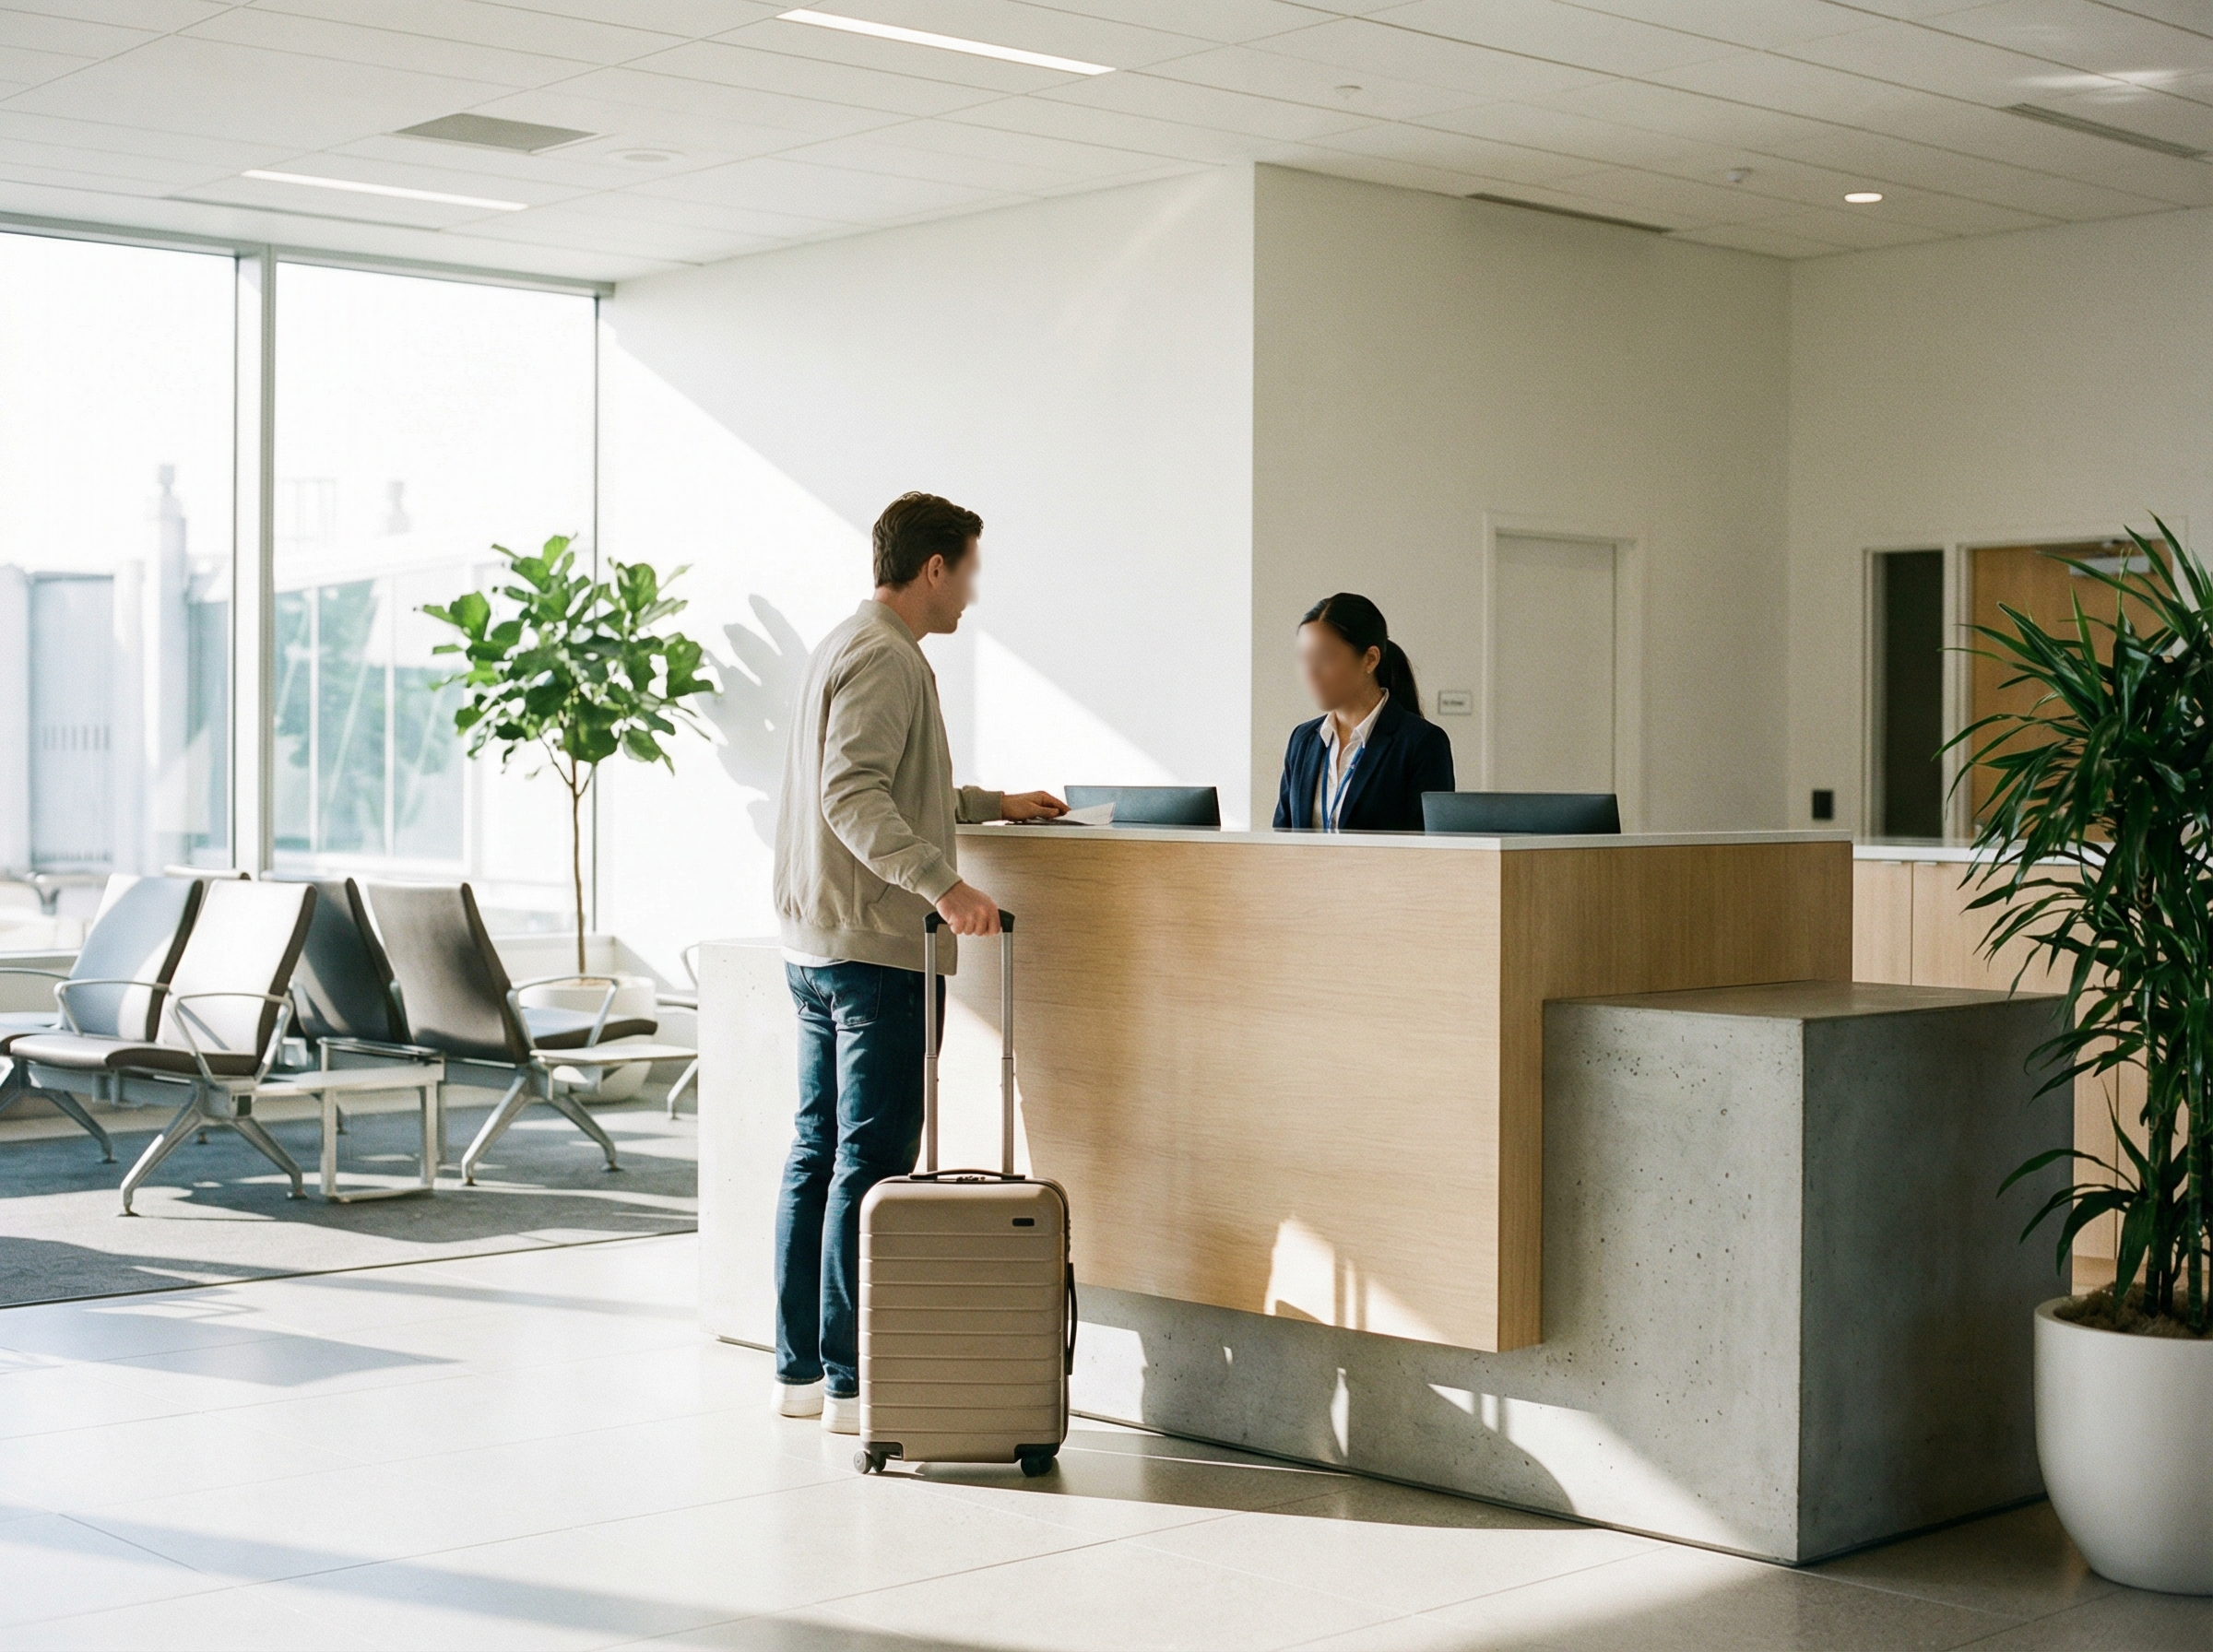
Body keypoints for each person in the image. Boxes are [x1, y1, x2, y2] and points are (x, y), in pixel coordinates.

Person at [770, 491, 1065, 1434]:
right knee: (870, 1163)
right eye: (969, 571)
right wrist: (945, 885)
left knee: (821, 1156)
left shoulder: (847, 644)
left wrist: (985, 801)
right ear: (934, 567)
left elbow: (890, 784)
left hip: (819, 944)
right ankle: (855, 1382)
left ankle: (804, 1374)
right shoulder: (891, 659)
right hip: (876, 952)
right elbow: (851, 791)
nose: (972, 595)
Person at [1273, 593, 1454, 833]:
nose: (1310, 672)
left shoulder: (1421, 743)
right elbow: (1282, 838)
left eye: (1324, 658)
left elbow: (1429, 849)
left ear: (1370, 659)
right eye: (1304, 659)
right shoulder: (1302, 740)